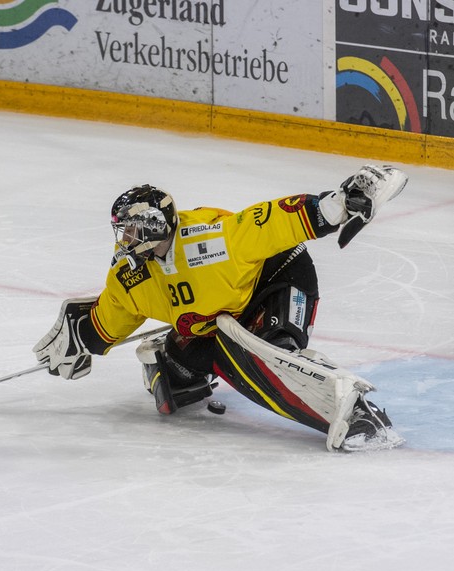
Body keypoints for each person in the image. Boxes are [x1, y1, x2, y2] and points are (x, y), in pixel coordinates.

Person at [33, 165, 408, 452]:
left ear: (151, 228)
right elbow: (110, 315)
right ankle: (177, 358)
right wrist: (82, 338)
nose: (124, 240)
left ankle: (354, 409)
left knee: (271, 353)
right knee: (175, 372)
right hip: (221, 311)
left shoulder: (211, 241)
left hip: (276, 277)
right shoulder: (131, 277)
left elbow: (275, 222)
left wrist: (338, 204)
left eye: (130, 230)